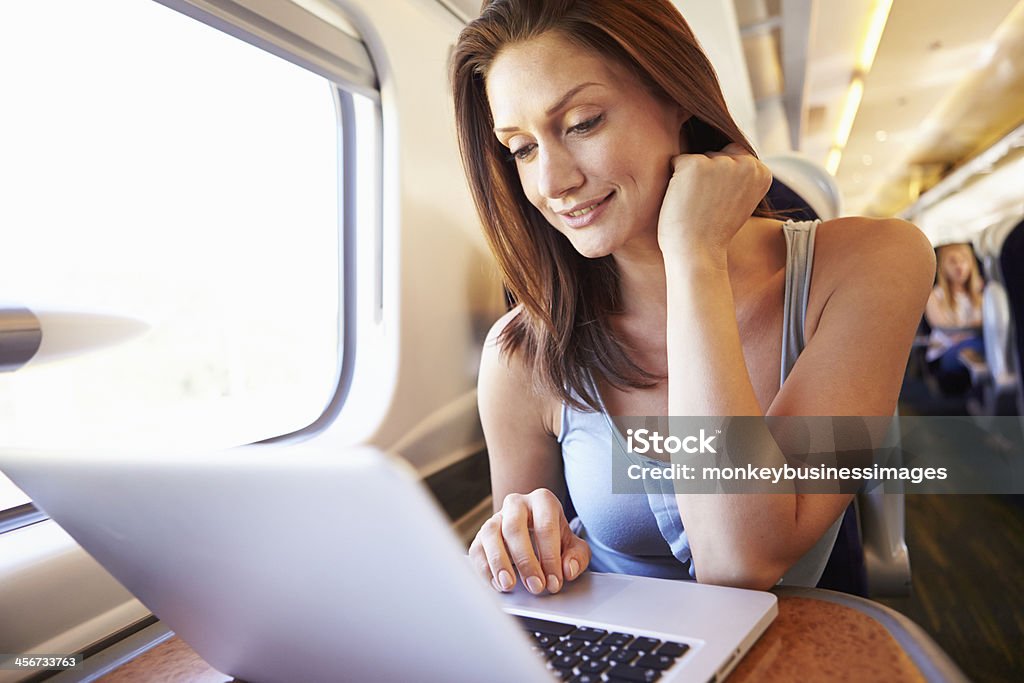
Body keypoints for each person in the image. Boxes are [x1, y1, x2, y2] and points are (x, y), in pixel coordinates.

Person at [453, 0, 935, 594]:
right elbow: (536, 590)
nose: (553, 183)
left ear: (676, 96)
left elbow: (740, 562)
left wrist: (693, 259)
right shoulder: (521, 351)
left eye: (581, 123)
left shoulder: (873, 261)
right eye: (522, 148)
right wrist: (522, 547)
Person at [924, 243, 986, 395]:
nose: (959, 266)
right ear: (942, 266)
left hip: (977, 343)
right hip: (946, 350)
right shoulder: (934, 296)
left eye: (964, 260)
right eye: (953, 262)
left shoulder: (983, 292)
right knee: (979, 344)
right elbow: (944, 328)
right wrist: (975, 328)